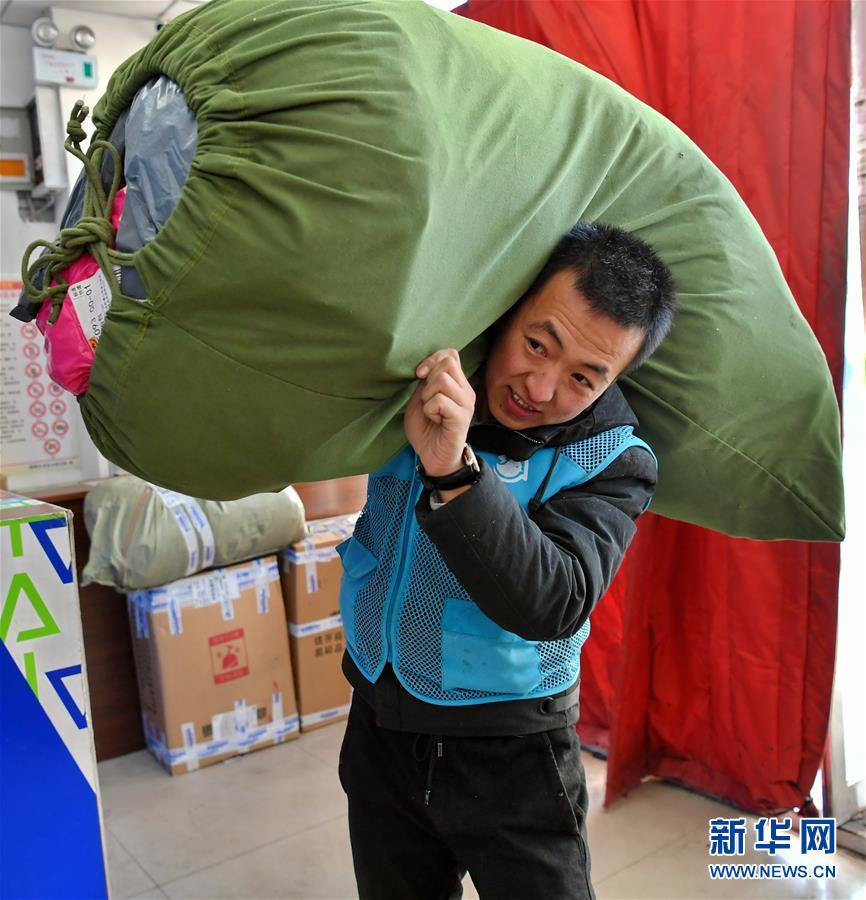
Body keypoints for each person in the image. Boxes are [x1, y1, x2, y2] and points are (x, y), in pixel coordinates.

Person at [336, 221, 676, 900]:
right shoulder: (416, 379)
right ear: (506, 307)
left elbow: (555, 599)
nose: (540, 388)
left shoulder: (612, 460)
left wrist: (455, 473)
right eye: (536, 345)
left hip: (514, 753)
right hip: (379, 721)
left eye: (583, 377)